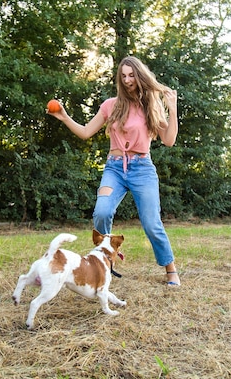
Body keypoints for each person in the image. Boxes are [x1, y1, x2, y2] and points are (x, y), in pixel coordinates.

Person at [47, 56, 181, 287]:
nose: (127, 80)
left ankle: (170, 269)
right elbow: (86, 132)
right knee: (101, 211)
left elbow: (169, 141)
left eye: (131, 75)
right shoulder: (111, 105)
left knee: (151, 223)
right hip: (115, 169)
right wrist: (64, 117)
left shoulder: (151, 106)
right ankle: (102, 262)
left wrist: (172, 109)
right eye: (123, 76)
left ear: (139, 77)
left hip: (142, 169)